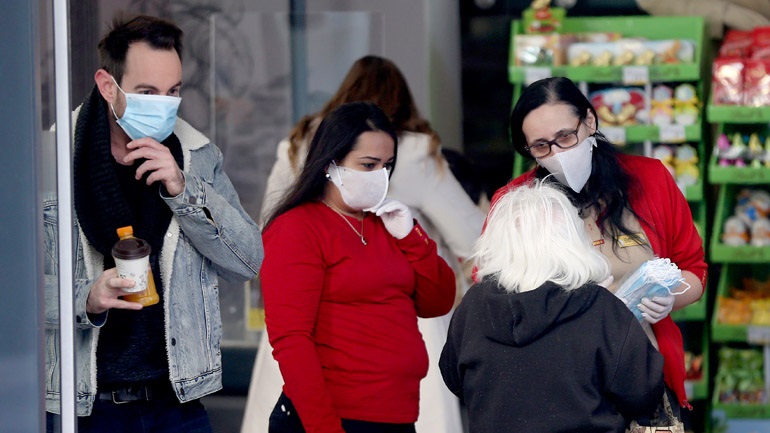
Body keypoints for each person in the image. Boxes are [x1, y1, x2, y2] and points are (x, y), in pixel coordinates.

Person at [43, 14, 263, 432]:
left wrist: (184, 189)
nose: (163, 105)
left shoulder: (197, 155)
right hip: (89, 407)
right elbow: (15, 295)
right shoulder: (52, 159)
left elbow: (248, 261)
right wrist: (85, 298)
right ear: (109, 86)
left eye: (173, 92)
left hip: (177, 403)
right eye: (147, 92)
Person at [243, 55, 484, 433]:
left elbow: (436, 300)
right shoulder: (298, 228)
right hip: (334, 418)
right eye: (368, 165)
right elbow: (292, 340)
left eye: (387, 166)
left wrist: (413, 237)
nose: (380, 177)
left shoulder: (385, 224)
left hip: (396, 415)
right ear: (330, 164)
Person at [496, 76, 707, 419]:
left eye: (566, 137)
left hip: (642, 371)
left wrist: (672, 295)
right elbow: (495, 291)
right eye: (541, 146)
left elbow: (694, 268)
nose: (558, 153)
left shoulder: (650, 179)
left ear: (590, 121)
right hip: (556, 385)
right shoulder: (515, 203)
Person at [440, 179, 665, 433]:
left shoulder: (473, 304)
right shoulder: (601, 308)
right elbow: (643, 392)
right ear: (571, 239)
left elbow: (453, 377)